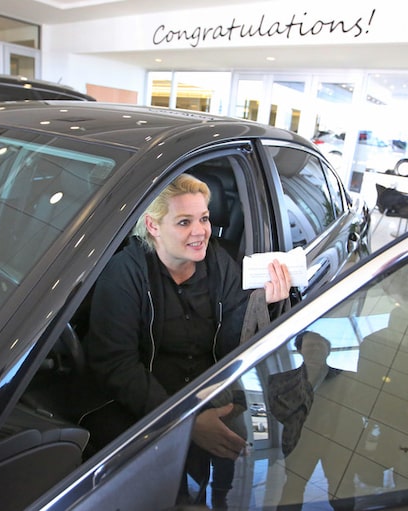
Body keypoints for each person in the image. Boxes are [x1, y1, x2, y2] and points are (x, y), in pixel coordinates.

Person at [80, 173, 291, 500]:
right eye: (184, 222)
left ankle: (219, 494)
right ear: (152, 226)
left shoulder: (219, 262)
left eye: (204, 218)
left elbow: (235, 336)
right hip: (149, 399)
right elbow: (116, 364)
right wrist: (185, 422)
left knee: (253, 453)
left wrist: (267, 302)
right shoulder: (125, 272)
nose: (201, 231)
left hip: (210, 386)